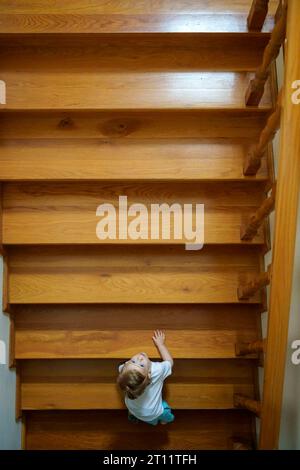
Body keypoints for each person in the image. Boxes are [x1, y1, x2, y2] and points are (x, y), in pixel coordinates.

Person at [117, 330, 174, 425]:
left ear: (126, 363)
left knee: (136, 413)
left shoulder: (124, 371)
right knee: (166, 412)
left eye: (133, 362)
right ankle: (164, 421)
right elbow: (169, 362)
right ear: (149, 374)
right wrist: (160, 345)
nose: (139, 358)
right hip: (153, 412)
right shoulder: (158, 370)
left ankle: (133, 417)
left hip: (133, 408)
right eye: (142, 365)